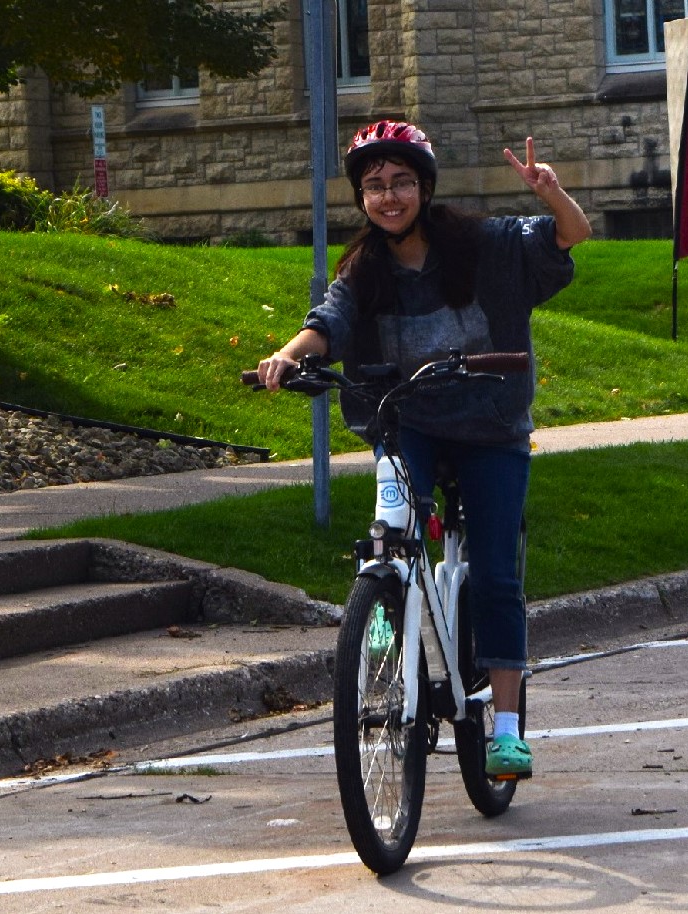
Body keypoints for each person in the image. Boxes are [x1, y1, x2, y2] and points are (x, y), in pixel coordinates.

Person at [257, 119, 592, 778]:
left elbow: (569, 237)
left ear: (425, 188)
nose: (389, 197)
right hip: (405, 421)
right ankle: (386, 638)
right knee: (391, 534)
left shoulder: (484, 243)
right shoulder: (365, 270)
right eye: (375, 186)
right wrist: (288, 355)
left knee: (495, 573)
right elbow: (328, 322)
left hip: (489, 426)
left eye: (402, 182)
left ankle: (505, 726)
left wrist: (552, 193)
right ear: (361, 198)